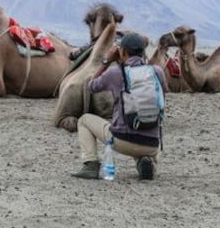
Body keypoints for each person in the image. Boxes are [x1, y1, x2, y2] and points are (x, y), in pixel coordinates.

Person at [70, 31, 168, 180]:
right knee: (144, 144)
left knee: (84, 120)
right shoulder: (157, 72)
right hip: (152, 145)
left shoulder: (116, 73)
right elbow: (163, 94)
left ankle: (90, 164)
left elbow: (91, 86)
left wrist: (107, 61)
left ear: (122, 51)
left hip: (121, 141)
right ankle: (146, 161)